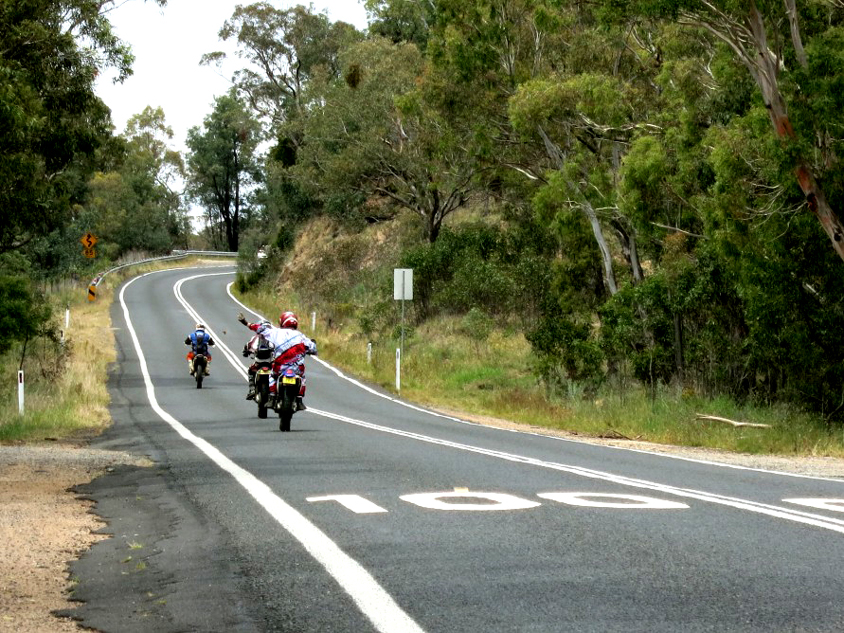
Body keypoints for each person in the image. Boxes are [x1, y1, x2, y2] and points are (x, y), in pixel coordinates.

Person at [241, 310, 316, 411]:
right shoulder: (301, 336)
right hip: (296, 368)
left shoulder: (275, 332)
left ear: (282, 322)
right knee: (302, 378)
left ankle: (272, 397)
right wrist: (310, 350)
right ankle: (299, 400)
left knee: (272, 376)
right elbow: (313, 347)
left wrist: (246, 323)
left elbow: (258, 329)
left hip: (280, 367)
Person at [237, 314, 274, 400]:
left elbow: (248, 346)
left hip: (259, 363)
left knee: (250, 371)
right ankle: (275, 392)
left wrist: (245, 352)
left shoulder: (255, 338)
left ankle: (252, 390)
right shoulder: (274, 337)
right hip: (271, 363)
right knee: (277, 373)